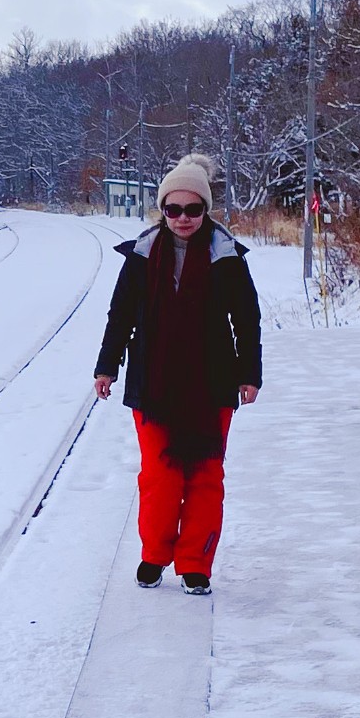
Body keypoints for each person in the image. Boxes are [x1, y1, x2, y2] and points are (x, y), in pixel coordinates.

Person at [92, 154, 262, 596]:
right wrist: (107, 366)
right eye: (173, 209)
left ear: (206, 210)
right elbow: (120, 316)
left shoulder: (226, 257)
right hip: (154, 384)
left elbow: (246, 320)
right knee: (160, 476)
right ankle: (154, 555)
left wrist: (250, 373)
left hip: (213, 383)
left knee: (205, 475)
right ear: (162, 209)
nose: (183, 218)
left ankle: (194, 563)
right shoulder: (142, 256)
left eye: (193, 209)